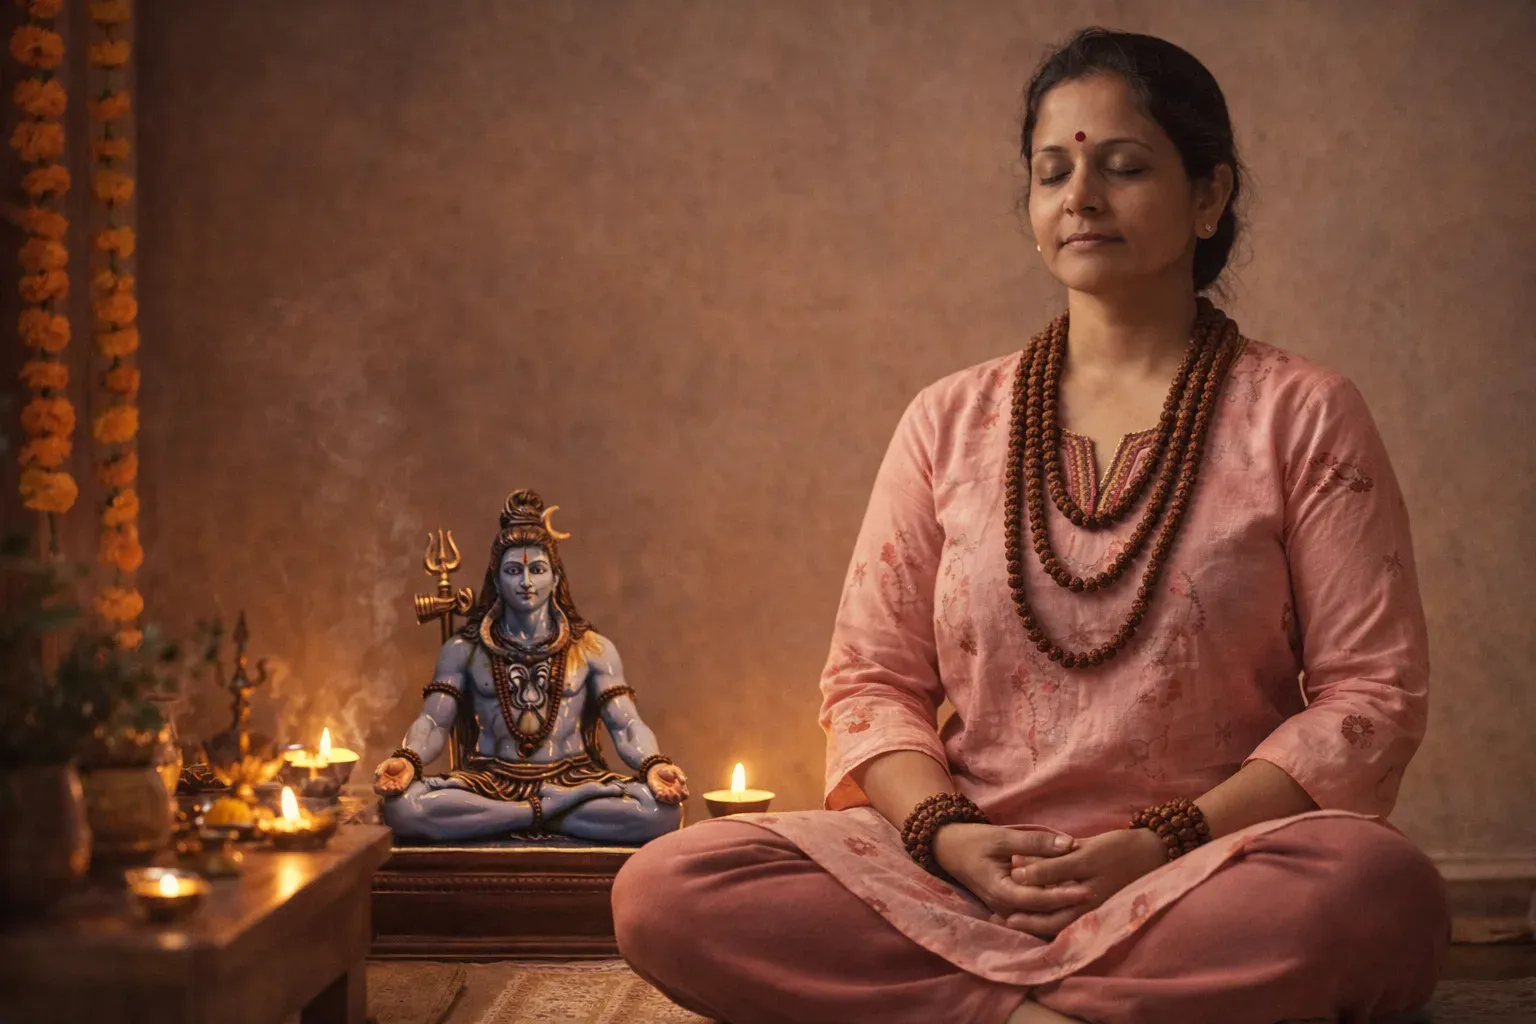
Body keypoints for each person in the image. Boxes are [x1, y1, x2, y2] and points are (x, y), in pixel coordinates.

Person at [612, 26, 1449, 1024]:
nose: (1081, 197)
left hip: (1204, 869)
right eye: (1053, 172)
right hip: (965, 868)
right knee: (668, 886)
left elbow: (1370, 696)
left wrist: (1160, 842)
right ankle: (1066, 1009)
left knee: (1376, 892)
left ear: (1210, 197)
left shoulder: (1301, 412)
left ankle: (973, 1005)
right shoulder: (950, 420)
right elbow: (871, 683)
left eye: (1124, 166)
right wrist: (950, 834)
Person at [374, 489, 689, 842]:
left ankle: (507, 818)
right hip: (490, 779)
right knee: (402, 807)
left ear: (556, 578)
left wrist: (654, 763)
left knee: (659, 812)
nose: (526, 583)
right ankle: (540, 813)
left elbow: (627, 724)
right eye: (513, 571)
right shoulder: (464, 650)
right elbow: (433, 722)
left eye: (537, 570)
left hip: (572, 778)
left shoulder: (591, 648)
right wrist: (408, 759)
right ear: (496, 580)